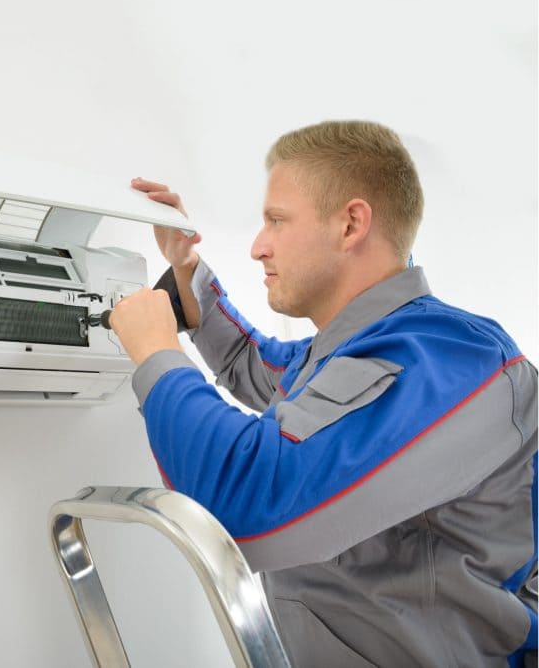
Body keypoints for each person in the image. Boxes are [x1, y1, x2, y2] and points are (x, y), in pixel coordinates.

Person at [108, 120, 537, 668]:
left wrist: (157, 356)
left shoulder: (452, 360)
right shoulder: (352, 352)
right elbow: (256, 365)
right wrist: (186, 270)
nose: (259, 246)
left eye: (276, 220)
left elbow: (249, 500)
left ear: (351, 224)